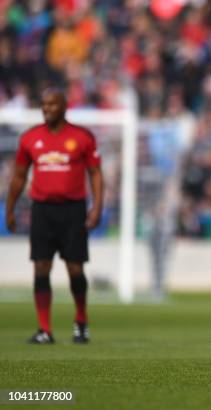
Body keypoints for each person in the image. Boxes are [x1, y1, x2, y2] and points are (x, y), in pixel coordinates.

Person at [5, 88, 104, 344]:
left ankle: (81, 322)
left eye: (52, 104)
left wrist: (97, 207)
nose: (46, 108)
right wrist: (10, 208)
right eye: (43, 104)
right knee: (41, 266)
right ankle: (44, 329)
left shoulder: (82, 137)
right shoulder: (30, 138)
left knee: (75, 269)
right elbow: (18, 176)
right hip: (42, 209)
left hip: (73, 209)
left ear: (64, 106)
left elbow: (95, 173)